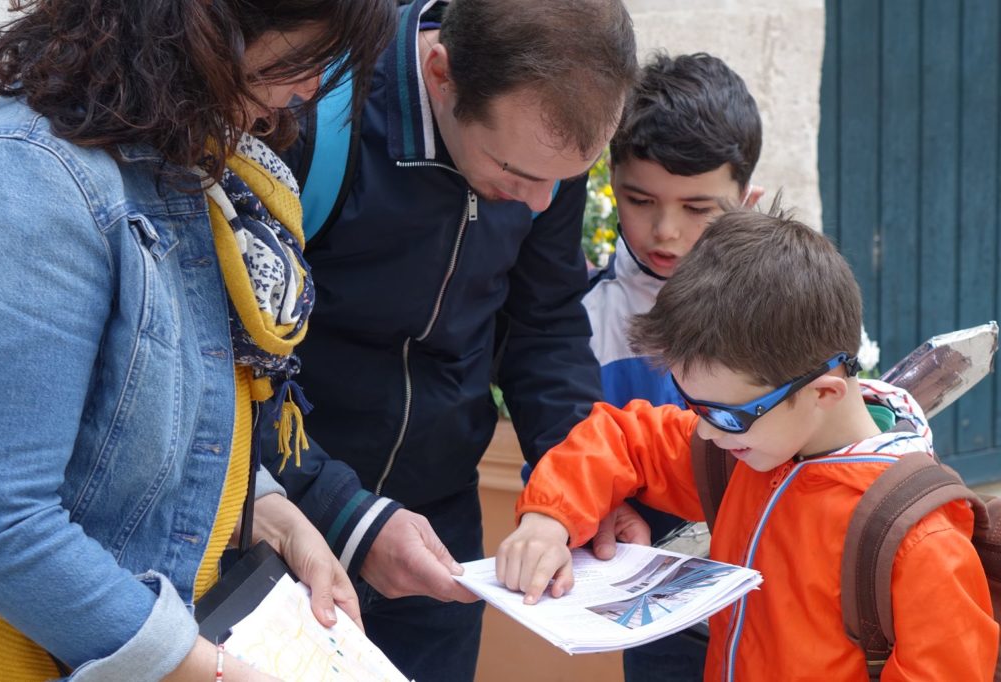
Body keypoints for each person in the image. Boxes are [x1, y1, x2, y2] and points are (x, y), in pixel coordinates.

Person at [0, 1, 394, 680]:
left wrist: (282, 520)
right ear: (214, 23)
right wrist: (208, 669)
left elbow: (156, 424)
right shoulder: (36, 176)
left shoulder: (190, 161)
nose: (313, 89)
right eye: (306, 56)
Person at [264, 0, 637, 679]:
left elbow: (544, 324)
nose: (538, 203)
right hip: (288, 515)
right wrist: (349, 517)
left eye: (564, 178)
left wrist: (581, 486)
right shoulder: (311, 106)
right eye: (516, 173)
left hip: (442, 531)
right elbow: (230, 365)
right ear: (441, 73)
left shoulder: (544, 139)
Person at [495, 207, 999, 680]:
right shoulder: (749, 448)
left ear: (823, 392)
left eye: (725, 414)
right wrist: (549, 518)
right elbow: (627, 438)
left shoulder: (918, 543)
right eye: (694, 405)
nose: (707, 431)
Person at [582, 52, 762, 681]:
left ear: (748, 200)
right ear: (609, 183)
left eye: (698, 209)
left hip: (770, 600)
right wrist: (597, 506)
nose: (665, 231)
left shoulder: (782, 314)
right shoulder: (579, 322)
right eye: (640, 200)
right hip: (652, 606)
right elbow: (565, 447)